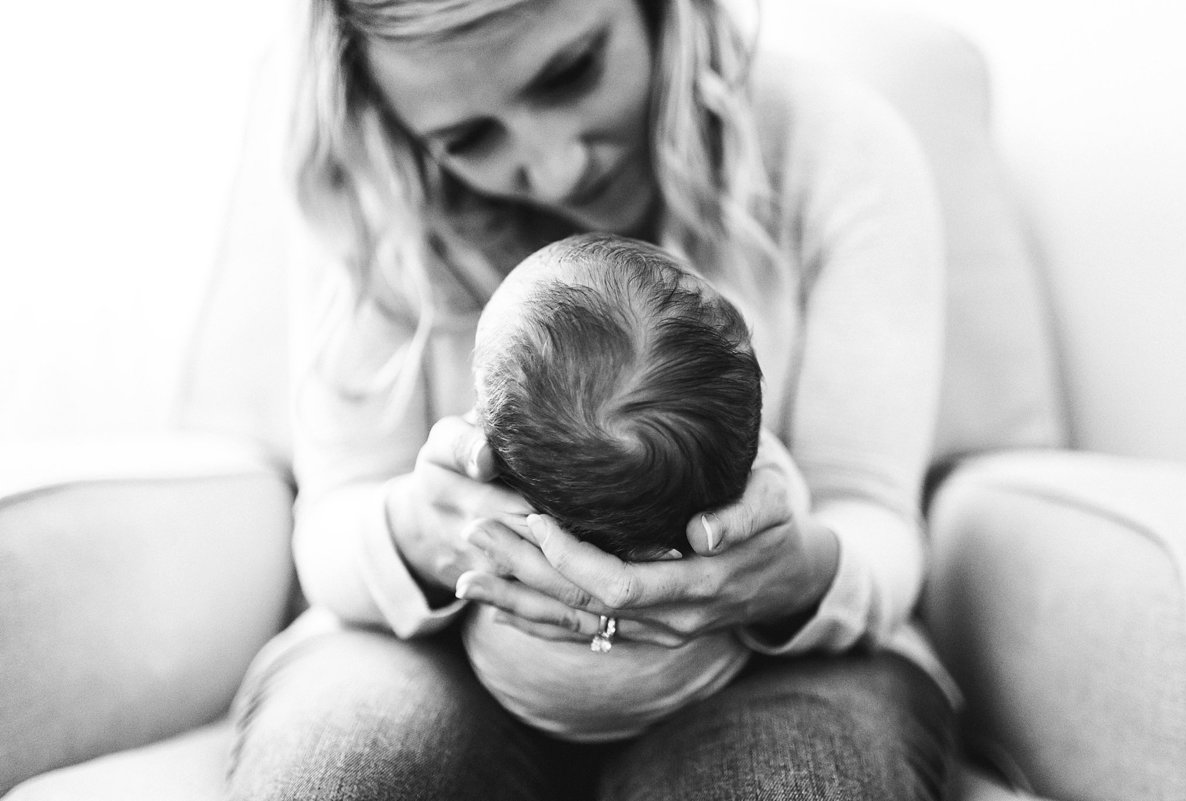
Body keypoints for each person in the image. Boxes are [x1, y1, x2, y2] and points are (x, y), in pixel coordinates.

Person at [226, 1, 958, 799]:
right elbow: (330, 522)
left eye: (572, 71)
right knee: (344, 778)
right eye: (467, 140)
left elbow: (875, 513)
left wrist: (789, 573)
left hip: (772, 662)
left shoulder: (832, 146)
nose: (556, 167)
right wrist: (421, 531)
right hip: (428, 649)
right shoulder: (372, 197)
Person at [463, 231, 789, 742]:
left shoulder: (482, 485)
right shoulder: (750, 491)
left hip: (509, 692)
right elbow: (787, 514)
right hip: (698, 692)